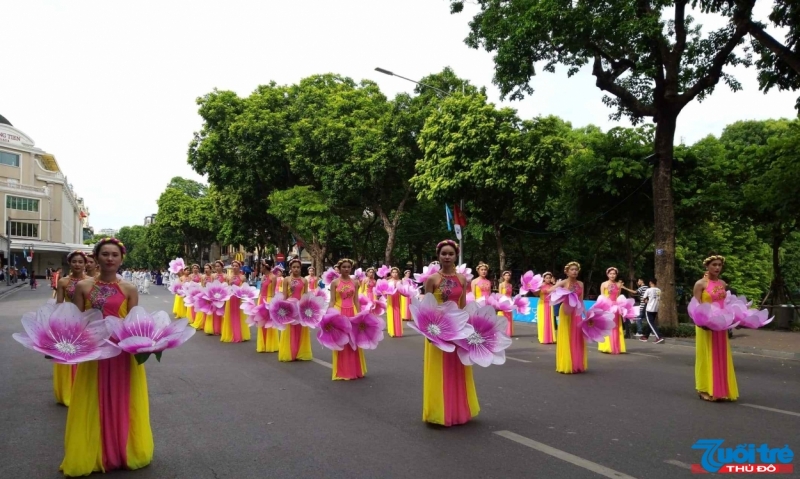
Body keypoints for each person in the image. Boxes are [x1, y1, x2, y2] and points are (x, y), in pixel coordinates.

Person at [61, 238, 153, 476]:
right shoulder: (83, 287)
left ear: (121, 259)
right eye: (105, 254)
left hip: (123, 354)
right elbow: (76, 323)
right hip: (94, 352)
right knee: (93, 398)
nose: (110, 259)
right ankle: (94, 452)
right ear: (97, 257)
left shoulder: (129, 289)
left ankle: (123, 451)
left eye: (115, 255)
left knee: (123, 399)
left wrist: (149, 343)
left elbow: (134, 324)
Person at [422, 240, 479, 426]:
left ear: (456, 256)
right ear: (438, 256)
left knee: (457, 368)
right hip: (437, 330)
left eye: (450, 254)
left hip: (458, 329)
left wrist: (468, 329)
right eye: (443, 253)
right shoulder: (432, 280)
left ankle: (458, 411)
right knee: (440, 370)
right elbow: (426, 308)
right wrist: (429, 333)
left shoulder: (462, 279)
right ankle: (439, 412)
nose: (447, 257)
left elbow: (462, 306)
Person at [694, 255, 738, 402]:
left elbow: (725, 304)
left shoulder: (723, 283)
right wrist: (702, 323)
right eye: (714, 265)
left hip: (721, 325)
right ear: (707, 266)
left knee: (721, 355)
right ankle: (703, 388)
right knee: (706, 355)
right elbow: (695, 307)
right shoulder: (700, 284)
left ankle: (720, 389)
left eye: (719, 265)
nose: (717, 267)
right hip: (705, 325)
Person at [53, 251, 88, 407]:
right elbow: (59, 304)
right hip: (67, 324)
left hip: (86, 322)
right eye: (74, 261)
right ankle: (67, 392)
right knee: (67, 358)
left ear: (85, 263)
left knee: (84, 358)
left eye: (80, 262)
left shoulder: (91, 281)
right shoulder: (63, 282)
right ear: (69, 263)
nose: (77, 264)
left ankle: (83, 392)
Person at [328, 258, 366, 380]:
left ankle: (355, 369)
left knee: (353, 341)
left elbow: (356, 301)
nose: (346, 269)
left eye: (348, 267)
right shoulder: (334, 283)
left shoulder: (355, 282)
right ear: (339, 268)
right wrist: (329, 315)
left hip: (352, 313)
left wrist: (360, 316)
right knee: (341, 341)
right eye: (344, 267)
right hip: (339, 313)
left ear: (351, 268)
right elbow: (332, 300)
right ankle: (342, 371)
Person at [554, 262, 587, 374]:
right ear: (567, 271)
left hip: (576, 311)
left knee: (577, 336)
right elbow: (549, 291)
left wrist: (585, 314)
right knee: (567, 335)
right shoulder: (563, 282)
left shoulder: (581, 284)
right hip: (566, 311)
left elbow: (581, 300)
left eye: (576, 270)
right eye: (572, 269)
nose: (574, 271)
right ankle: (566, 363)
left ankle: (576, 363)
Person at [278, 258, 311, 361]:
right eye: (294, 267)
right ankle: (290, 352)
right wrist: (283, 307)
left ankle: (299, 352)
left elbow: (306, 296)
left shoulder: (304, 280)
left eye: (298, 267)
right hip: (289, 307)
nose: (296, 269)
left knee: (300, 329)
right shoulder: (287, 279)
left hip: (300, 307)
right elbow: (284, 295)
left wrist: (306, 309)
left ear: (300, 268)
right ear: (290, 268)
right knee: (289, 330)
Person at [598, 267, 627, 354]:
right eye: (610, 273)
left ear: (616, 275)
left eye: (614, 274)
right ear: (607, 274)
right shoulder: (604, 284)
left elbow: (618, 297)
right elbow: (602, 297)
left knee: (616, 326)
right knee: (607, 326)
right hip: (607, 306)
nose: (612, 275)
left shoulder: (618, 285)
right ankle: (606, 346)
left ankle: (616, 346)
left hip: (616, 307)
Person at [221, 261, 250, 343]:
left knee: (239, 316)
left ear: (239, 267)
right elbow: (226, 288)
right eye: (233, 266)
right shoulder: (228, 277)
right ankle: (230, 334)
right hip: (230, 298)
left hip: (239, 299)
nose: (234, 267)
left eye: (236, 266)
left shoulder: (242, 277)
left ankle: (240, 334)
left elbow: (245, 289)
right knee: (230, 315)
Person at [256, 261, 279, 352]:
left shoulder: (273, 277)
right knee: (261, 322)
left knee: (269, 323)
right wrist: (258, 299)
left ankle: (270, 344)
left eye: (261, 266)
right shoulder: (263, 277)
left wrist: (272, 303)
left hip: (269, 300)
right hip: (261, 300)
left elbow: (273, 292)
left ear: (265, 267)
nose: (260, 268)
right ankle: (263, 344)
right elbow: (261, 290)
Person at [640, 279, 664, 344]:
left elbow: (644, 298)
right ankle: (646, 336)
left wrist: (645, 300)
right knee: (650, 322)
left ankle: (659, 336)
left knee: (651, 323)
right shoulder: (659, 290)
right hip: (655, 308)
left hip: (649, 308)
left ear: (650, 283)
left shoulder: (648, 290)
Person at [537, 272, 557, 344]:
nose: (548, 279)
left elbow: (557, 293)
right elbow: (536, 293)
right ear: (544, 278)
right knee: (543, 320)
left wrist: (555, 284)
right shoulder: (540, 285)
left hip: (550, 304)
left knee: (550, 320)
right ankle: (543, 338)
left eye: (549, 278)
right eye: (547, 278)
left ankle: (550, 338)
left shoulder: (553, 286)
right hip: (542, 304)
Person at [386, 267, 403, 337]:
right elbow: (385, 290)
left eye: (396, 272)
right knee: (391, 312)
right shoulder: (388, 281)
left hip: (398, 297)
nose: (395, 274)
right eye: (393, 272)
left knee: (398, 313)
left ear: (398, 273)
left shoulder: (400, 281)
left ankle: (398, 331)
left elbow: (403, 290)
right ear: (391, 273)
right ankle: (392, 331)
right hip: (390, 298)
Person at [498, 270, 514, 336]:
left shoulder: (510, 285)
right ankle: (502, 331)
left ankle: (508, 332)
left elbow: (510, 294)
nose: (507, 277)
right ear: (503, 276)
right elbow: (499, 295)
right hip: (503, 301)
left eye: (508, 275)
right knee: (503, 316)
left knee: (508, 317)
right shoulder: (501, 285)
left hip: (509, 301)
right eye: (506, 275)